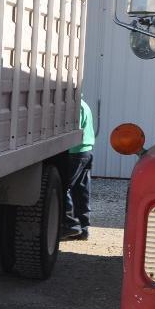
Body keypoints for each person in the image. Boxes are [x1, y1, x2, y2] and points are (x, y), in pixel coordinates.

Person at [62, 99, 94, 240]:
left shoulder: (75, 106)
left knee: (64, 187)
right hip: (85, 151)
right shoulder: (83, 103)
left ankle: (70, 224)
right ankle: (83, 228)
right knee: (81, 190)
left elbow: (75, 130)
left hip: (75, 152)